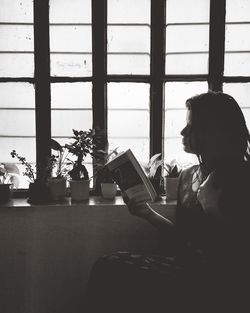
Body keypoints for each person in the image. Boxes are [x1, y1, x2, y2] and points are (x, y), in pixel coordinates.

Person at [85, 91, 250, 312]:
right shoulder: (187, 176)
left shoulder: (242, 177)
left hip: (221, 280)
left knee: (112, 270)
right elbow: (184, 238)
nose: (183, 131)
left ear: (214, 132)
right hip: (186, 267)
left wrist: (213, 208)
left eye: (191, 126)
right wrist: (147, 213)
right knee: (107, 266)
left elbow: (238, 255)